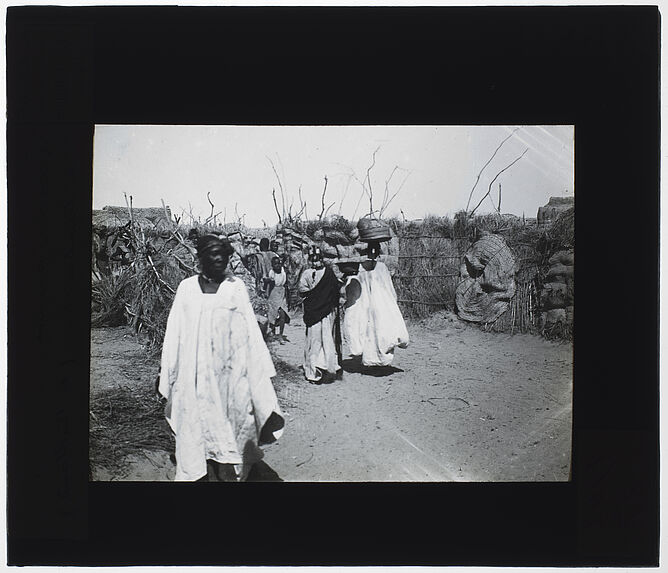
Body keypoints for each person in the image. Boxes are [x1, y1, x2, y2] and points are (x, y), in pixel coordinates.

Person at [157, 234, 284, 481]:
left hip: (230, 379)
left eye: (222, 254)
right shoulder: (186, 289)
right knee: (196, 430)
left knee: (231, 433)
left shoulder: (235, 288)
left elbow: (250, 334)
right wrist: (166, 373)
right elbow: (174, 334)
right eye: (212, 253)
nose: (218, 258)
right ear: (200, 258)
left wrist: (260, 375)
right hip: (194, 378)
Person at [343, 241, 409, 367]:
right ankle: (371, 360)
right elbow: (355, 286)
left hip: (377, 304)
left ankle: (376, 360)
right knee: (370, 329)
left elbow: (386, 286)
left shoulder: (378, 267)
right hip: (369, 304)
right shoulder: (362, 268)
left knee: (377, 330)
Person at [298, 246, 342, 383]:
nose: (316, 262)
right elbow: (302, 290)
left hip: (326, 312)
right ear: (310, 260)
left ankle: (325, 367)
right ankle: (312, 371)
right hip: (313, 312)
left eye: (318, 259)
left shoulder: (328, 273)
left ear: (322, 259)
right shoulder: (307, 273)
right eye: (313, 259)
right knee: (314, 341)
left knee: (327, 339)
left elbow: (336, 289)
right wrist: (313, 294)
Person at [264, 255, 290, 342]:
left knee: (282, 314)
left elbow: (286, 285)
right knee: (273, 314)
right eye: (275, 264)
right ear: (272, 265)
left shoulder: (283, 272)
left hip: (281, 293)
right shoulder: (272, 273)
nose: (278, 265)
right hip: (273, 293)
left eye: (279, 263)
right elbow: (268, 285)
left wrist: (288, 297)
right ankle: (273, 333)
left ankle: (281, 334)